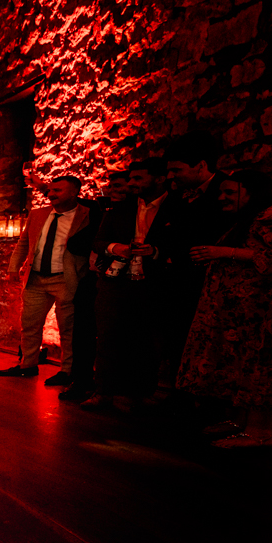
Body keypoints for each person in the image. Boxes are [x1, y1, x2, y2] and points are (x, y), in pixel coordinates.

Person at [177, 171, 272, 448]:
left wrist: (224, 253)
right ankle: (240, 423)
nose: (222, 198)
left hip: (262, 316)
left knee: (259, 368)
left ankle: (258, 431)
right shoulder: (248, 219)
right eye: (221, 192)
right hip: (240, 316)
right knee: (239, 367)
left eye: (230, 192)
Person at [85, 158, 181, 411]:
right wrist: (116, 248)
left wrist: (156, 252)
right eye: (131, 178)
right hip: (115, 281)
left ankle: (135, 394)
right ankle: (103, 391)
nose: (131, 183)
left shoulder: (177, 206)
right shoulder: (121, 208)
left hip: (154, 283)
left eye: (138, 178)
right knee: (108, 336)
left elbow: (184, 244)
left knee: (145, 340)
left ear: (159, 179)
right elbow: (98, 242)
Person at [0, 175, 91, 386]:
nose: (51, 194)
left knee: (68, 327)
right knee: (29, 324)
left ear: (74, 192)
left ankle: (67, 370)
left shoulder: (86, 215)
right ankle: (27, 365)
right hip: (36, 278)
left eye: (58, 190)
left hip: (66, 278)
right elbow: (24, 242)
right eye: (50, 190)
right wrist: (14, 267)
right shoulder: (39, 214)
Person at [164, 132, 231, 376]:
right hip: (178, 282)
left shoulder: (227, 191)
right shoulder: (176, 194)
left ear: (201, 165)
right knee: (176, 341)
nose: (171, 176)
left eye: (177, 170)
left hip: (210, 283)